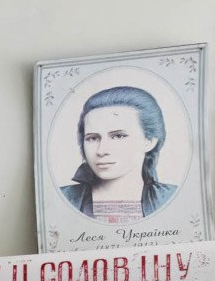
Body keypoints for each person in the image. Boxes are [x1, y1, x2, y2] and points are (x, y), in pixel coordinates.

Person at [59, 85, 176, 223]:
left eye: (118, 136)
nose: (101, 150)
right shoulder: (62, 198)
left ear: (149, 141)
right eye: (93, 138)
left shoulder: (172, 198)